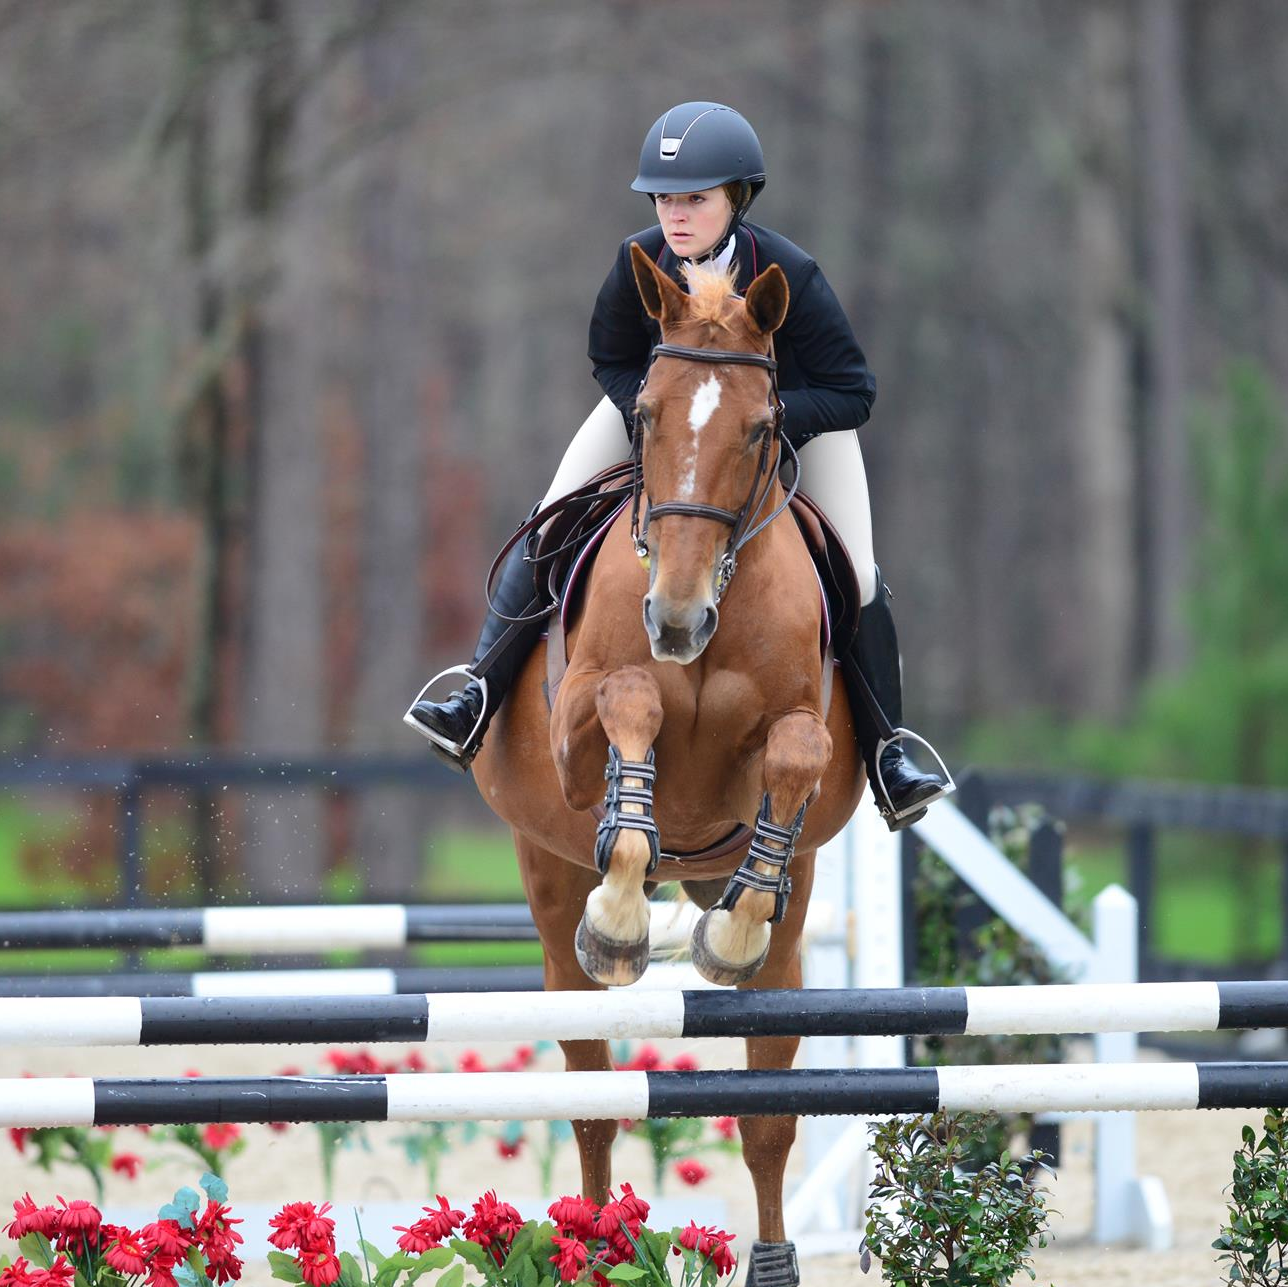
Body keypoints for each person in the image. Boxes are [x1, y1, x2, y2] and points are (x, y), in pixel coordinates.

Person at [405, 101, 952, 831]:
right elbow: (610, 356)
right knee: (547, 519)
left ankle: (889, 751)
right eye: (664, 198)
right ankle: (476, 691)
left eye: (693, 198)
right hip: (661, 415)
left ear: (738, 198)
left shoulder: (789, 271)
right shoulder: (640, 261)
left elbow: (853, 389)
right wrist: (659, 416)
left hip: (791, 423)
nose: (675, 215)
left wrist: (762, 419)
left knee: (855, 571)